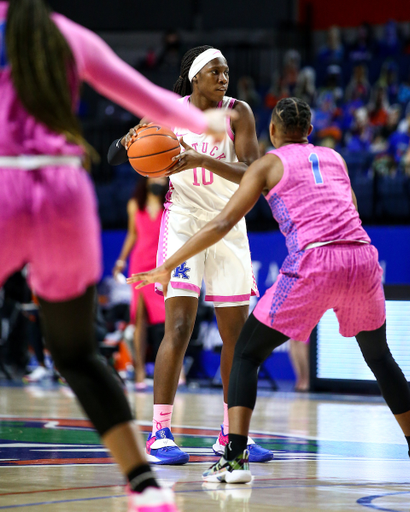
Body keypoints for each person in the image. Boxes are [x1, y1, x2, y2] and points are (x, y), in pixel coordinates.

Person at [0, 2, 233, 511]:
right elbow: (145, 95)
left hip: (4, 182)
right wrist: (208, 122)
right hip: (64, 189)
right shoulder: (65, 35)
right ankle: (146, 488)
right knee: (79, 355)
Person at [129, 97, 410, 484]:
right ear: (310, 132)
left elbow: (222, 223)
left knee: (245, 352)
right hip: (363, 259)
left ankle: (233, 457)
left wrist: (166, 264)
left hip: (314, 262)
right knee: (381, 360)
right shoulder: (336, 159)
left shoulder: (268, 163)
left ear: (272, 133)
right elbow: (352, 212)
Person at [109, 45, 272, 465]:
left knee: (235, 334)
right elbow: (116, 154)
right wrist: (129, 141)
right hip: (183, 220)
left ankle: (230, 434)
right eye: (215, 72)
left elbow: (254, 174)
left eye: (226, 72)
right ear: (195, 77)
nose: (223, 78)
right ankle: (160, 432)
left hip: (229, 224)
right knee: (178, 325)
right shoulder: (168, 111)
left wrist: (201, 159)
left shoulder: (239, 113)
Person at [112, 177, 168, 390]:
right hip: (139, 264)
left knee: (167, 319)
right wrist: (120, 260)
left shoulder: (170, 204)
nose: (159, 180)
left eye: (163, 177)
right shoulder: (134, 204)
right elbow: (132, 235)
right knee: (139, 319)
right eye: (155, 176)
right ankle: (140, 373)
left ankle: (176, 370)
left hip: (162, 265)